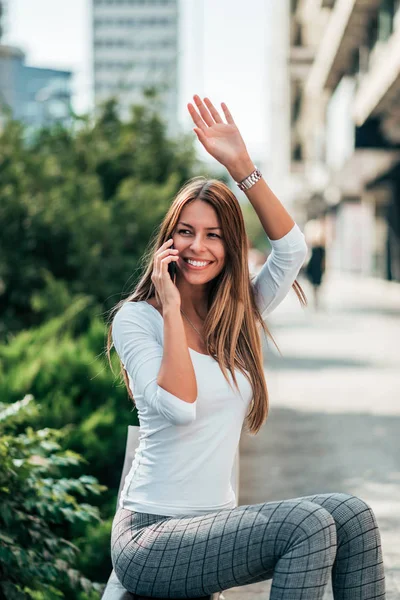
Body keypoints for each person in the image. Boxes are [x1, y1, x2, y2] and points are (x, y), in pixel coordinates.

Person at [107, 95, 385, 599]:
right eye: (186, 232)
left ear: (230, 246)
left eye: (214, 235)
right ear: (168, 241)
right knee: (306, 525)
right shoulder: (138, 320)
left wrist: (242, 167)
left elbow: (293, 250)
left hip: (211, 529)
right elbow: (177, 406)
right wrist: (170, 307)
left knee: (353, 515)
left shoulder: (236, 315)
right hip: (150, 538)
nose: (198, 247)